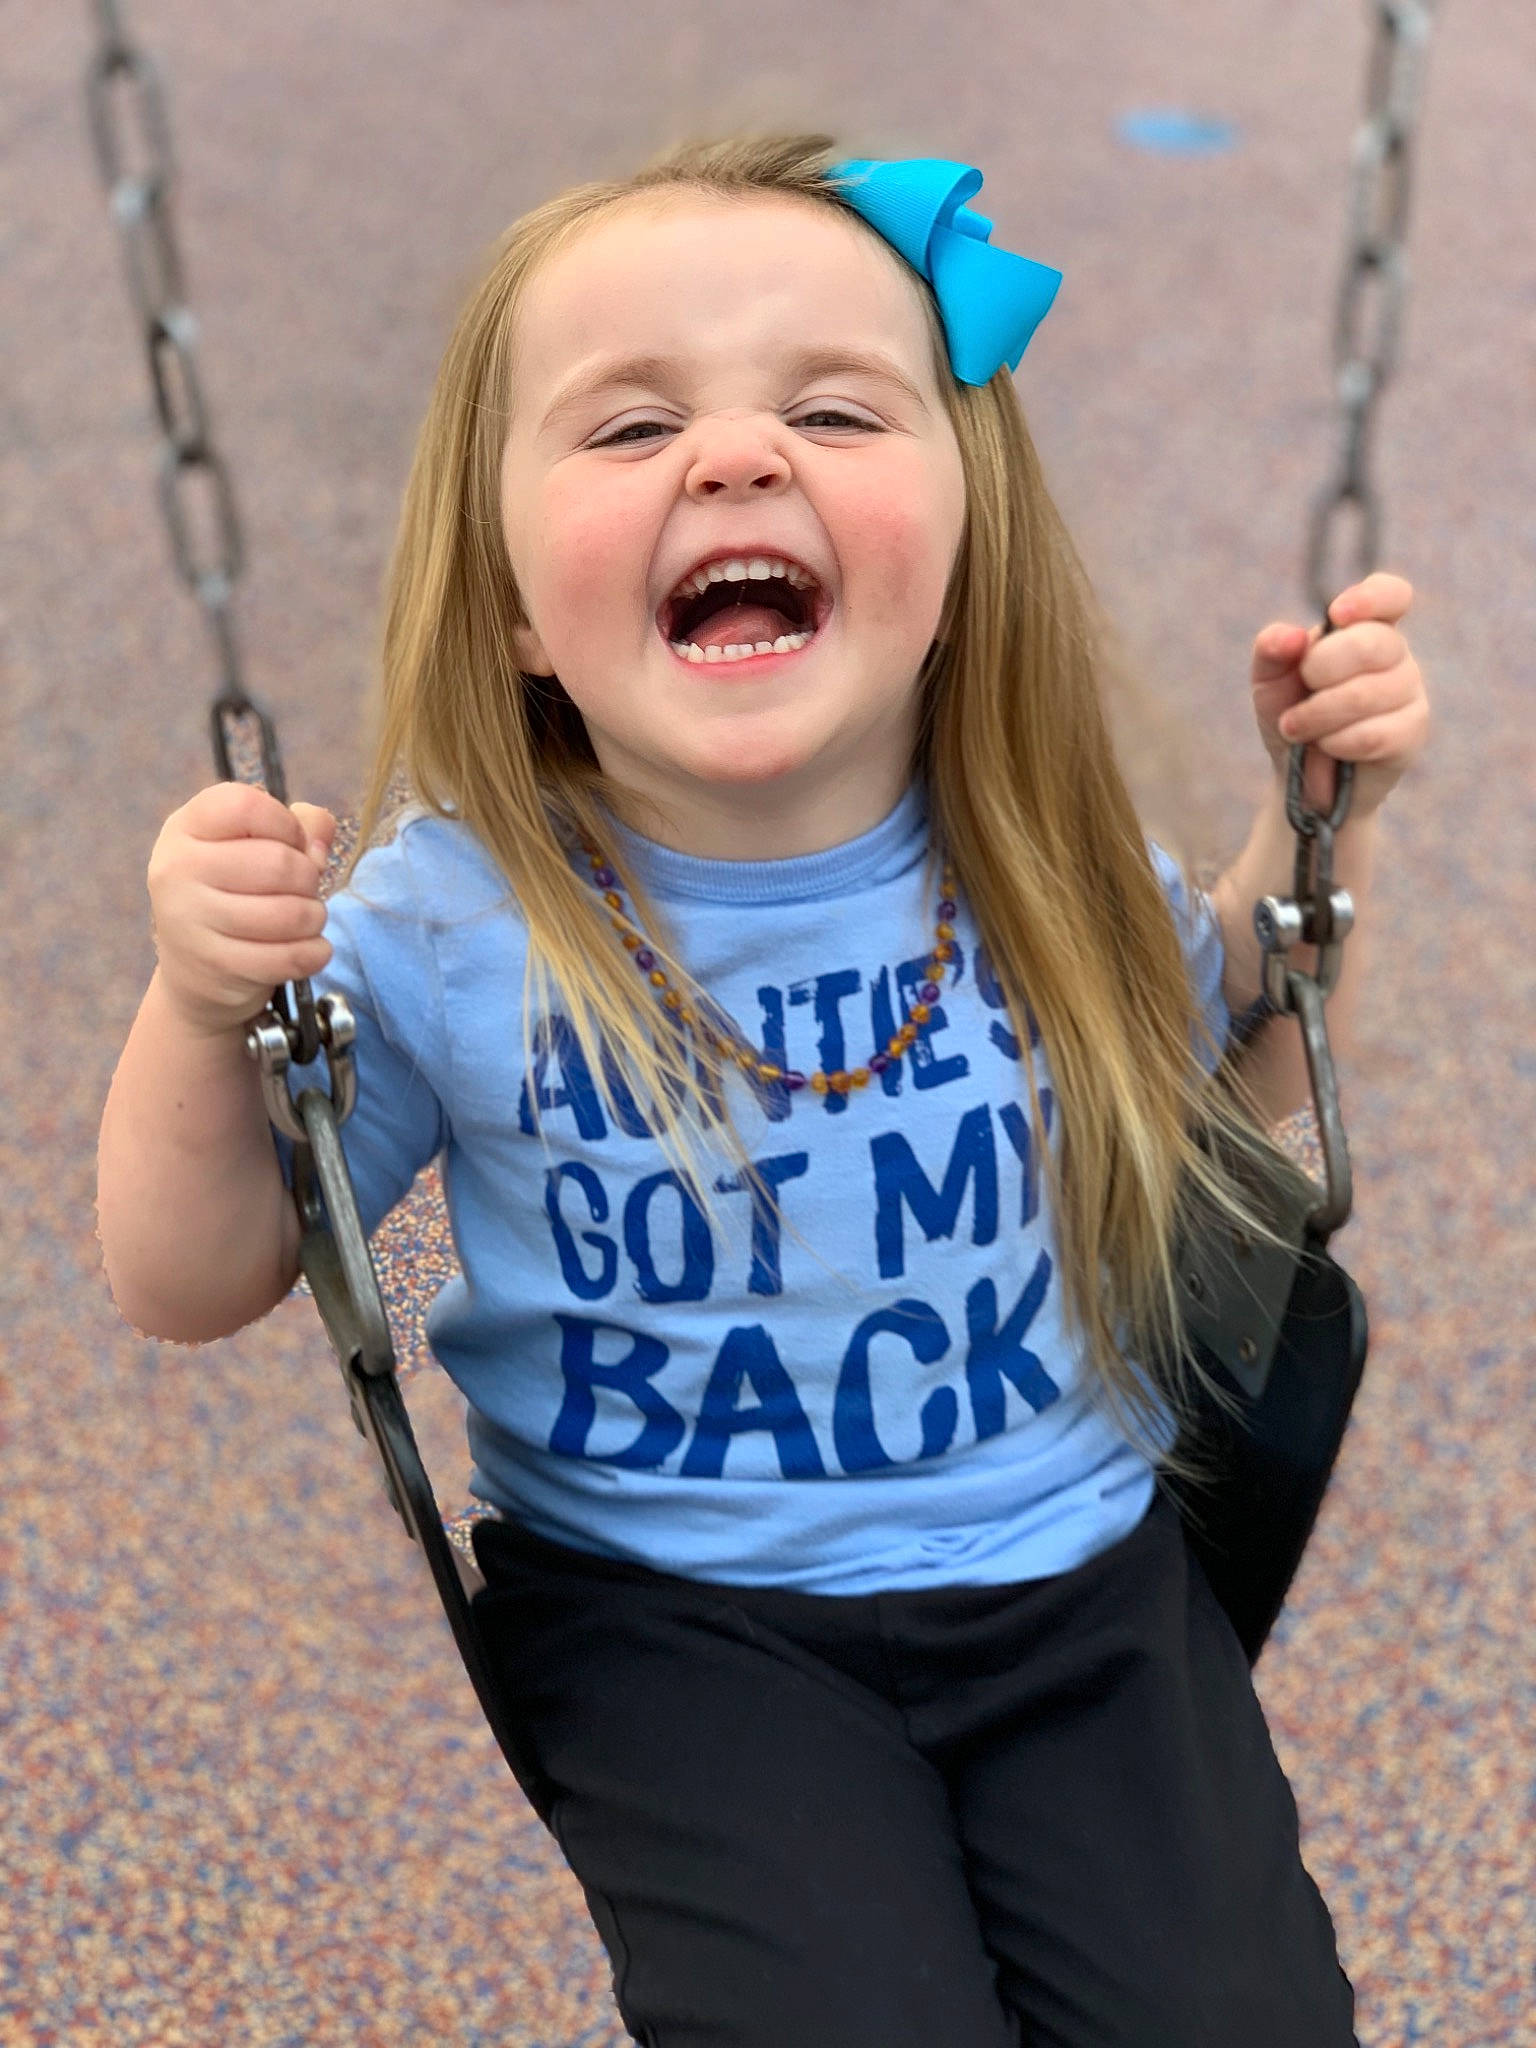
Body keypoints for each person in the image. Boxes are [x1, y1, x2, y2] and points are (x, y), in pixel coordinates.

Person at [97, 134, 1430, 2047]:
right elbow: (187, 1269)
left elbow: (1242, 1055)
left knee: (1240, 2014)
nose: (734, 457)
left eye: (829, 407)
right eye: (630, 429)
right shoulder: (448, 920)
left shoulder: (1040, 854)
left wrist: (1316, 829)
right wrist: (199, 999)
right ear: (509, 611)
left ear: (964, 561)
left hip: (1079, 1575)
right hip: (674, 1619)